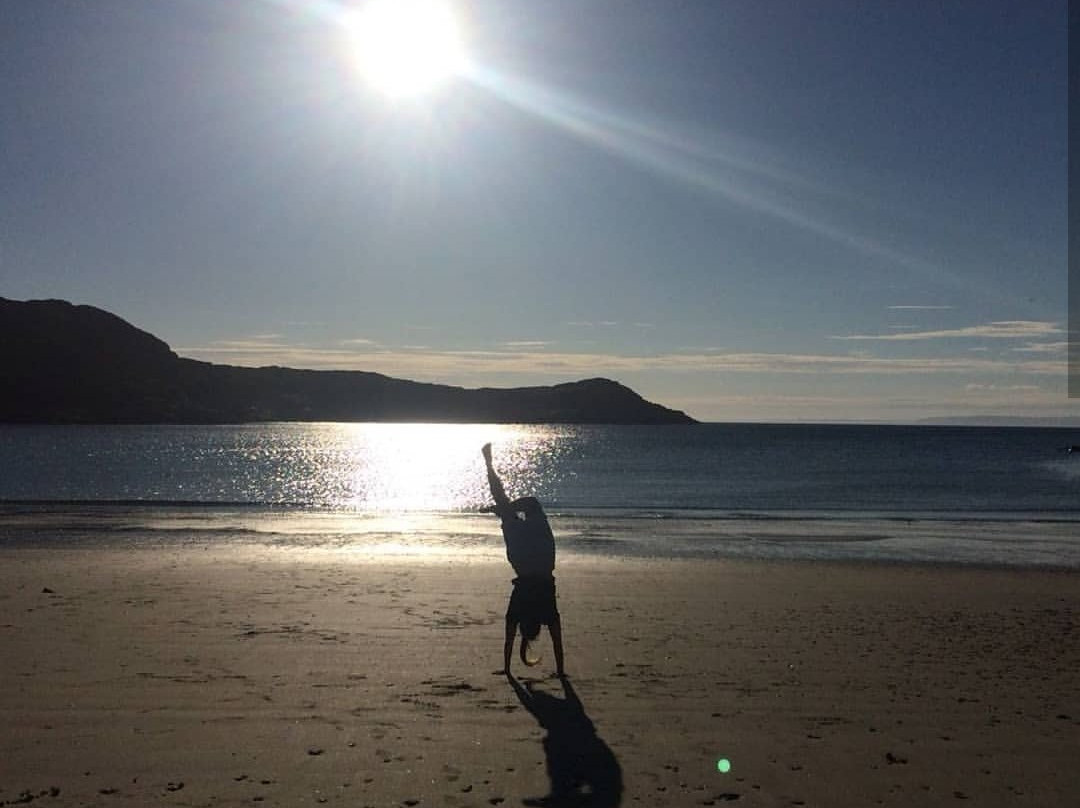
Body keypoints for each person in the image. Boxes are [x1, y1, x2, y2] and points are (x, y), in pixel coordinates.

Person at [481, 442, 565, 678]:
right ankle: (489, 465)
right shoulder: (537, 611)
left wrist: (507, 670)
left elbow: (557, 642)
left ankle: (489, 466)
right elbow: (512, 637)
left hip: (535, 562)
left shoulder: (540, 613)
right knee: (515, 503)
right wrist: (503, 508)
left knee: (519, 504)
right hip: (530, 562)